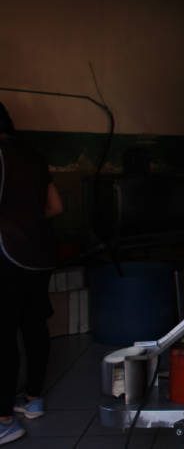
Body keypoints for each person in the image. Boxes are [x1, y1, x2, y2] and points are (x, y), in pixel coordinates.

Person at [0, 102, 62, 446]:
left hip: (6, 254)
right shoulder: (32, 155)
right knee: (35, 325)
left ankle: (3, 418)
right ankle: (33, 399)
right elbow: (56, 207)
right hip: (39, 253)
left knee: (3, 335)